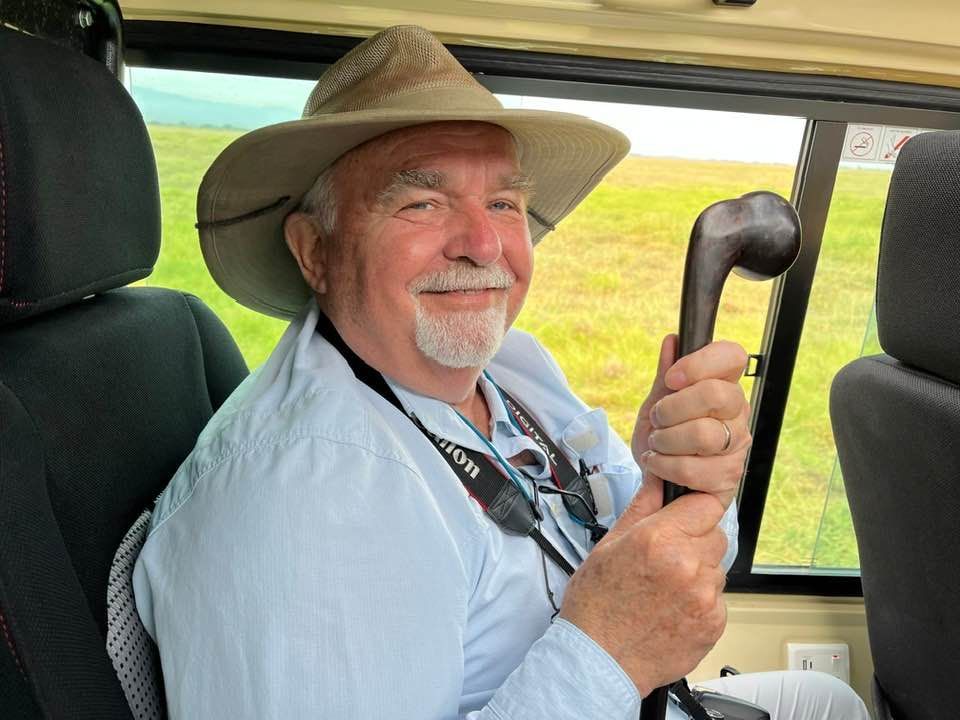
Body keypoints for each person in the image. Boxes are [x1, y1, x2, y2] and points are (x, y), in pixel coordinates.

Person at [133, 25, 870, 720]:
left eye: (504, 202)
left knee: (833, 701)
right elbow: (625, 631)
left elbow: (661, 571)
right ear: (314, 251)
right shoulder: (306, 496)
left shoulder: (511, 369)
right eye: (421, 201)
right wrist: (606, 652)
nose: (484, 243)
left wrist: (678, 476)